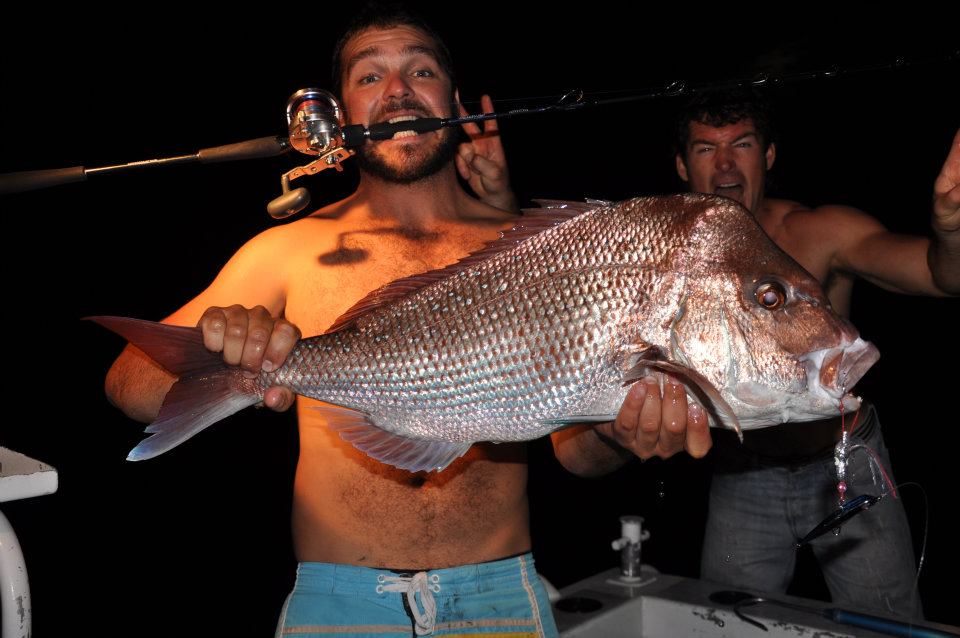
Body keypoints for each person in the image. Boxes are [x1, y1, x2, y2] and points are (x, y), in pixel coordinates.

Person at [103, 6, 710, 637]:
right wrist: (229, 345)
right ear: (340, 117)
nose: (397, 92)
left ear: (455, 100)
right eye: (369, 78)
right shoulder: (289, 249)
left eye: (419, 70)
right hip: (341, 603)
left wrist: (623, 431)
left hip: (499, 594)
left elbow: (576, 455)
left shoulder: (527, 250)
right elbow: (129, 385)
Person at [672, 90, 960, 618]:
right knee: (726, 623)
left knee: (888, 627)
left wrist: (951, 230)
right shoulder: (667, 258)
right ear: (682, 165)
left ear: (770, 156)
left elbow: (942, 275)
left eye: (743, 144)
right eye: (705, 149)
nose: (727, 163)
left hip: (846, 461)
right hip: (744, 472)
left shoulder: (819, 232)